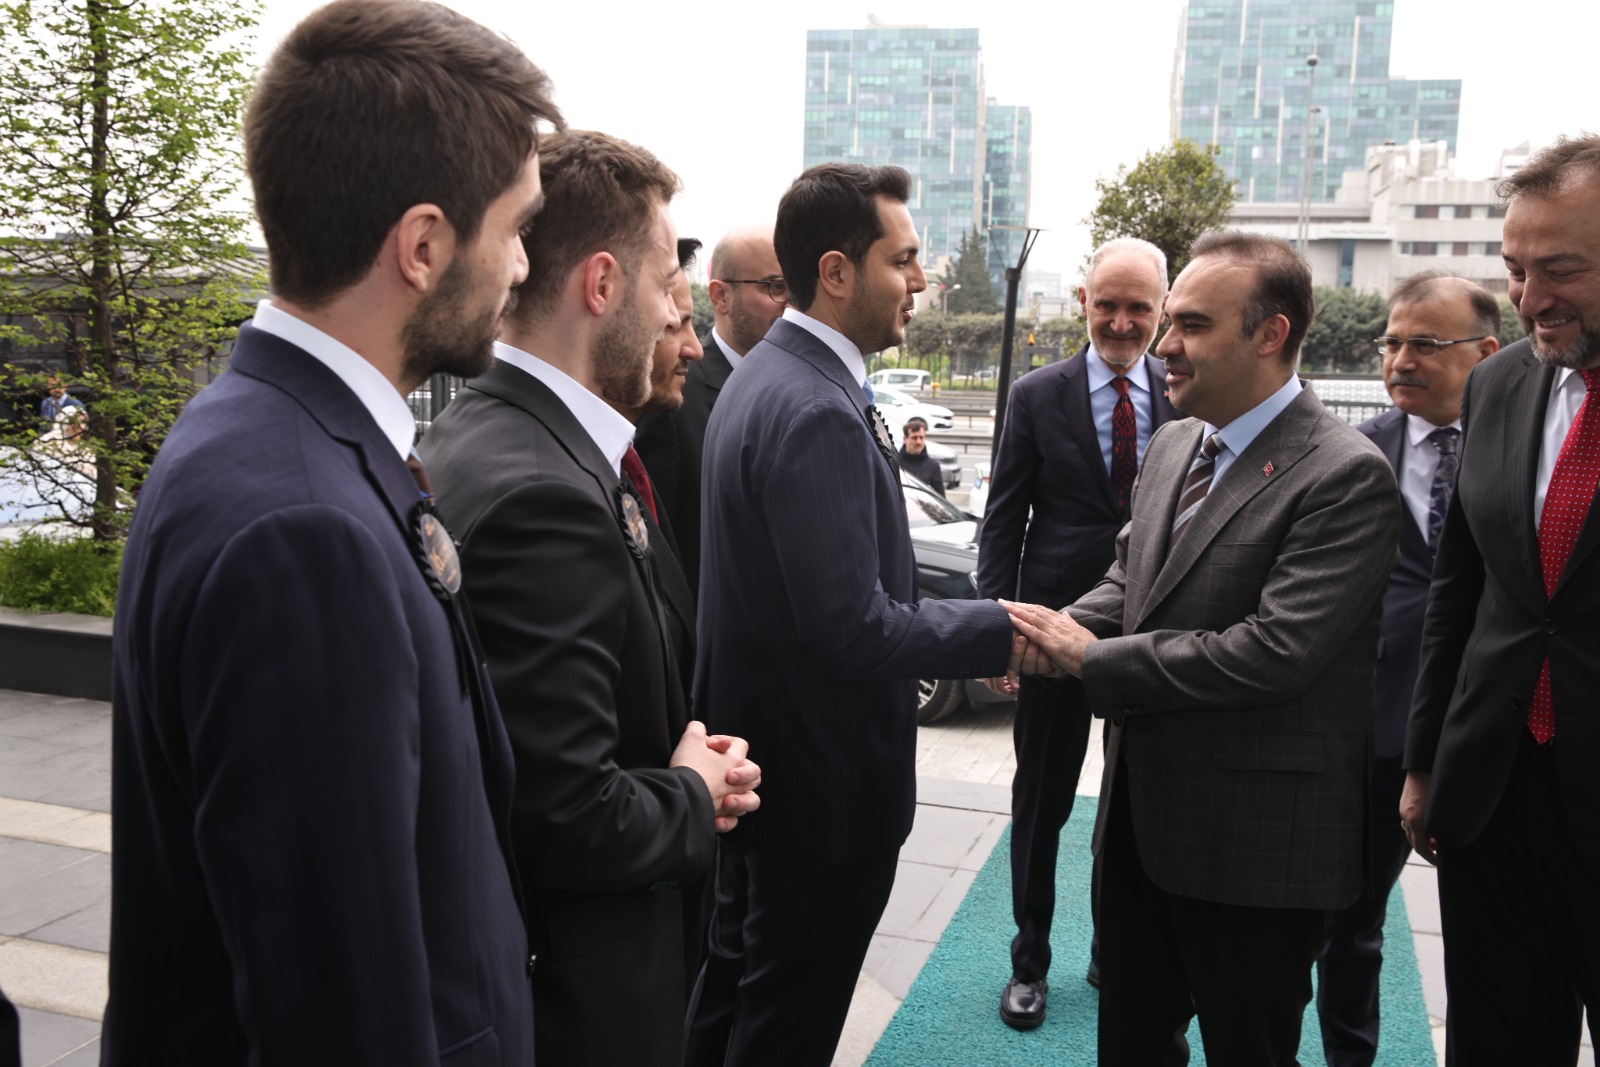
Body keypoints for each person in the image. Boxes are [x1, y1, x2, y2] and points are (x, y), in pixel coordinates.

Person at [102, 3, 560, 1063]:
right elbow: (337, 1012)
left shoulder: (264, 430)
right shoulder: (305, 528)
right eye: (516, 228)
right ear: (423, 245)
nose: (521, 265)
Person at [1006, 231, 1399, 1066]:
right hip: (1140, 831)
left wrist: (1088, 659)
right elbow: (1130, 579)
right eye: (1171, 321)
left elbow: (1275, 650)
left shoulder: (1344, 473)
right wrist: (1043, 630)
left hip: (1255, 851)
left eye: (1190, 324)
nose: (1164, 345)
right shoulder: (1178, 441)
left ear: (1270, 334)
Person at [419, 130, 759, 1067]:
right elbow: (562, 813)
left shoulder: (508, 435)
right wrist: (692, 790)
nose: (675, 316)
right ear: (602, 284)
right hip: (581, 1004)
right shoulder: (544, 492)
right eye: (666, 285)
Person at [684, 162, 1022, 1067]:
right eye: (902, 260)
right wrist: (1003, 628)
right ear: (836, 271)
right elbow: (853, 628)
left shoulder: (770, 376)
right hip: (820, 798)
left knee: (733, 1001)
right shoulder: (812, 405)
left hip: (770, 776)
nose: (921, 281)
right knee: (784, 1026)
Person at [1401, 134, 1600, 1065]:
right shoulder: (1497, 382)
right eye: (1516, 269)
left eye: (1561, 269)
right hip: (1494, 796)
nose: (1529, 299)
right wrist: (1424, 763)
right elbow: (1461, 586)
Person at [978, 236, 1178, 1029]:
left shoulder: (1185, 391)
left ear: (1162, 310)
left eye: (1139, 308)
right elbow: (1004, 519)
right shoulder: (1037, 395)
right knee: (1042, 802)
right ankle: (1029, 961)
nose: (1122, 323)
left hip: (1153, 632)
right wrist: (993, 631)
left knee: (1136, 806)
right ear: (1085, 302)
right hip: (1052, 634)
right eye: (1109, 305)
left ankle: (1112, 948)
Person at [1317, 274, 1498, 1066]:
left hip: (1499, 721)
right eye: (1391, 342)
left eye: (1425, 343)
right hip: (1377, 724)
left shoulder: (1526, 446)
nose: (1400, 360)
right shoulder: (1351, 452)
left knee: (1499, 932)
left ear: (1486, 353)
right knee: (1351, 917)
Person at [634, 225, 785, 590]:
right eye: (776, 286)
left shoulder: (792, 392)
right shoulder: (669, 396)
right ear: (720, 296)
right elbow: (659, 553)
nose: (791, 303)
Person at [897, 416, 945, 495]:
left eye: (921, 437)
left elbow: (940, 498)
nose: (918, 442)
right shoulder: (895, 463)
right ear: (905, 439)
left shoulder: (933, 466)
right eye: (914, 438)